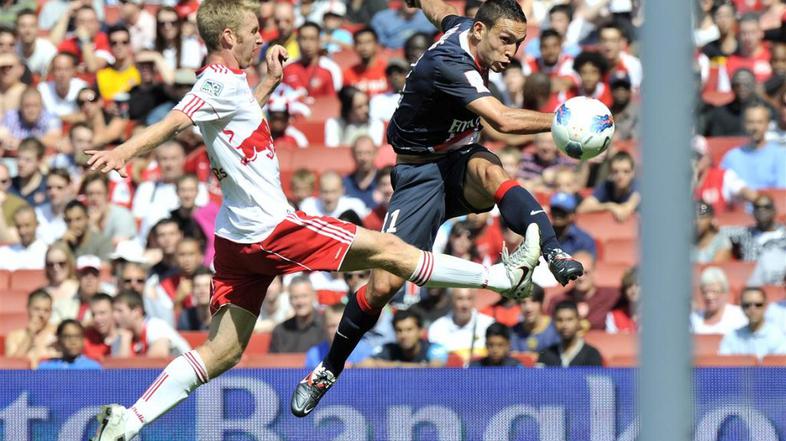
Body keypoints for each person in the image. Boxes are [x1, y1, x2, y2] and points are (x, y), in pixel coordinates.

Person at [90, 0, 536, 433]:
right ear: (228, 37)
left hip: (234, 239)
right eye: (252, 33)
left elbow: (238, 120)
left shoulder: (227, 83)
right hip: (271, 227)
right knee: (391, 252)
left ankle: (130, 419)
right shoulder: (214, 86)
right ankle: (500, 278)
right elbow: (173, 122)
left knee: (222, 352)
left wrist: (268, 83)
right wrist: (123, 152)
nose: (260, 39)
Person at [293, 0, 584, 417]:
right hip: (419, 175)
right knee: (381, 288)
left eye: (518, 44)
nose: (511, 53)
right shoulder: (450, 63)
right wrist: (565, 118)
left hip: (460, 159)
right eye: (505, 41)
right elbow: (501, 120)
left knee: (490, 172)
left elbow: (439, 10)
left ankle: (553, 251)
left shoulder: (465, 27)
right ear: (480, 31)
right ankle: (328, 367)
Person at [546, 250, 619, 331]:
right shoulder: (559, 301)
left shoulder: (610, 295)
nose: (581, 278)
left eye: (586, 273)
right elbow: (548, 329)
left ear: (595, 273)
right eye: (576, 273)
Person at [720, 103, 786, 189]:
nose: (755, 127)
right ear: (744, 124)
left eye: (759, 122)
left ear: (768, 124)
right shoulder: (731, 157)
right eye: (750, 122)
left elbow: (782, 192)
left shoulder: (780, 156)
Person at [111, 289, 191, 357]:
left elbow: (153, 365)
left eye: (119, 311)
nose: (114, 315)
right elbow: (118, 371)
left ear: (137, 312)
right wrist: (125, 340)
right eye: (113, 311)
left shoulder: (156, 326)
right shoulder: (123, 335)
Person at [359, 309, 448, 367]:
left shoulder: (434, 348)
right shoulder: (389, 349)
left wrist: (393, 365)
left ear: (420, 331)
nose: (404, 335)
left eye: (409, 330)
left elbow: (435, 368)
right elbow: (364, 364)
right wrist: (419, 366)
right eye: (399, 330)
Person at [427, 288, 495, 361]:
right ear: (450, 300)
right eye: (460, 299)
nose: (465, 305)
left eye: (469, 298)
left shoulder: (489, 324)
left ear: (475, 300)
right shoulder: (437, 328)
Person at [719, 287, 786, 359]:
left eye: (758, 305)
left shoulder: (777, 336)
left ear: (766, 306)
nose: (752, 309)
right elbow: (723, 364)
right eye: (747, 305)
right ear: (741, 307)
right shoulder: (733, 337)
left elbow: (780, 367)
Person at [281, 21, 342, 98]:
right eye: (303, 38)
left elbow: (331, 103)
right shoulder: (287, 69)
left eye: (312, 39)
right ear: (297, 41)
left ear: (319, 41)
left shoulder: (331, 68)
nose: (308, 44)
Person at [305, 303, 373, 370]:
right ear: (324, 327)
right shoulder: (314, 354)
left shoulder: (364, 351)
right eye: (332, 326)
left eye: (341, 326)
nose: (337, 331)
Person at [577, 151, 640, 222]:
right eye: (615, 171)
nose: (620, 176)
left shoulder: (639, 187)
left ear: (633, 173)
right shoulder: (606, 186)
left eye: (626, 171)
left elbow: (625, 210)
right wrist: (609, 206)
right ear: (610, 173)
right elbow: (582, 208)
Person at [537, 300, 603, 367]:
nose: (564, 325)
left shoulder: (591, 354)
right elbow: (539, 377)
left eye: (569, 319)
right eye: (560, 320)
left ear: (578, 321)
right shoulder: (546, 353)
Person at [269, 276, 324, 353]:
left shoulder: (326, 327)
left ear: (314, 296)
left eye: (304, 296)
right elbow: (272, 363)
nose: (300, 302)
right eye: (295, 297)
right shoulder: (280, 331)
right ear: (290, 300)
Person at [4, 289, 59, 367]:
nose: (41, 314)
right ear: (28, 308)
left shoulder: (58, 334)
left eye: (46, 310)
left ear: (51, 312)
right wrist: (29, 335)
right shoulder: (14, 336)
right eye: (37, 309)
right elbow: (11, 367)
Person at [691, 267, 747, 335]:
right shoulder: (694, 318)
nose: (709, 296)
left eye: (714, 292)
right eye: (705, 292)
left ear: (725, 292)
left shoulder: (738, 315)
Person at [510, 285, 560, 353]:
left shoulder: (556, 329)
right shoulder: (514, 332)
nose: (528, 308)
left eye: (533, 301)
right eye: (523, 302)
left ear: (541, 303)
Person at [38, 319, 103, 369]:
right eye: (67, 336)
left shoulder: (92, 368)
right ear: (59, 340)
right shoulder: (46, 367)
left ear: (83, 339)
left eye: (77, 336)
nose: (73, 341)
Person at [549, 192, 597, 258]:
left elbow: (587, 265)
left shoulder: (584, 240)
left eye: (562, 212)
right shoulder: (545, 236)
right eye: (554, 211)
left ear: (572, 215)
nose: (557, 215)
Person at [0, 205, 46, 270]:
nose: (22, 231)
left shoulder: (46, 253)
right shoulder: (4, 253)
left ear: (37, 225)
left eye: (27, 225)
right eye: (18, 226)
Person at [343, 135, 379, 209]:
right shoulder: (344, 183)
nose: (363, 158)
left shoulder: (385, 182)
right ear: (353, 155)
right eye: (359, 153)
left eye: (368, 153)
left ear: (375, 154)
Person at [177, 267, 214, 331]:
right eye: (198, 286)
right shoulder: (185, 317)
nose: (202, 291)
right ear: (192, 289)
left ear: (214, 289)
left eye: (207, 285)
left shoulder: (224, 318)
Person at [605, 266, 639, 334]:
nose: (633, 290)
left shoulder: (656, 315)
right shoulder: (613, 317)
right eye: (629, 286)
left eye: (638, 285)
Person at [83, 293, 117, 361]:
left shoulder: (126, 337)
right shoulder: (87, 338)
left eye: (102, 313)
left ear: (114, 312)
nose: (97, 319)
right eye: (93, 314)